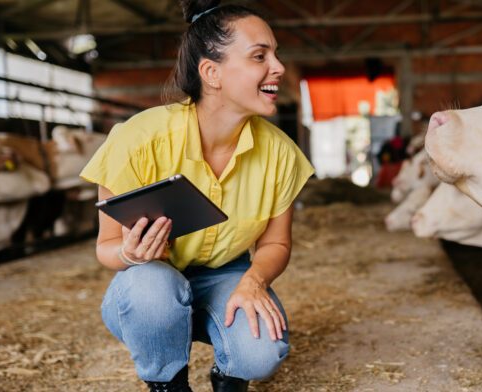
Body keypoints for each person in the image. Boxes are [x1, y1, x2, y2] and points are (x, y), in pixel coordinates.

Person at [79, 2, 314, 391]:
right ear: (211, 73)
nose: (279, 67)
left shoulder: (281, 153)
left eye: (276, 54)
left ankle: (229, 376)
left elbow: (275, 242)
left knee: (260, 352)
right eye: (260, 56)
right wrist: (130, 255)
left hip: (227, 273)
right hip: (149, 282)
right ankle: (169, 385)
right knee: (152, 288)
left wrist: (254, 281)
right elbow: (106, 248)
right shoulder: (138, 140)